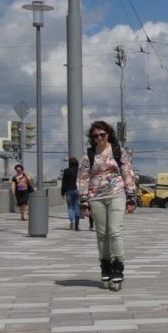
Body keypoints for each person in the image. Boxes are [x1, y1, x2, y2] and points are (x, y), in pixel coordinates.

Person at [77, 121, 136, 291]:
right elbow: (83, 178)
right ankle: (105, 266)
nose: (99, 138)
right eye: (96, 136)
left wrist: (131, 196)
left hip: (116, 194)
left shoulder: (118, 151)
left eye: (102, 134)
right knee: (102, 234)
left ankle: (118, 267)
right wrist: (84, 200)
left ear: (108, 134)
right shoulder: (89, 155)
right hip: (96, 197)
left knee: (114, 231)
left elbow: (127, 172)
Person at [60, 157, 82, 230]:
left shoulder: (66, 171)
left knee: (70, 207)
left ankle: (72, 221)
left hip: (68, 191)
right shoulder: (79, 171)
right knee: (77, 207)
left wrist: (62, 193)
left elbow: (64, 182)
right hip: (77, 190)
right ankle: (77, 223)